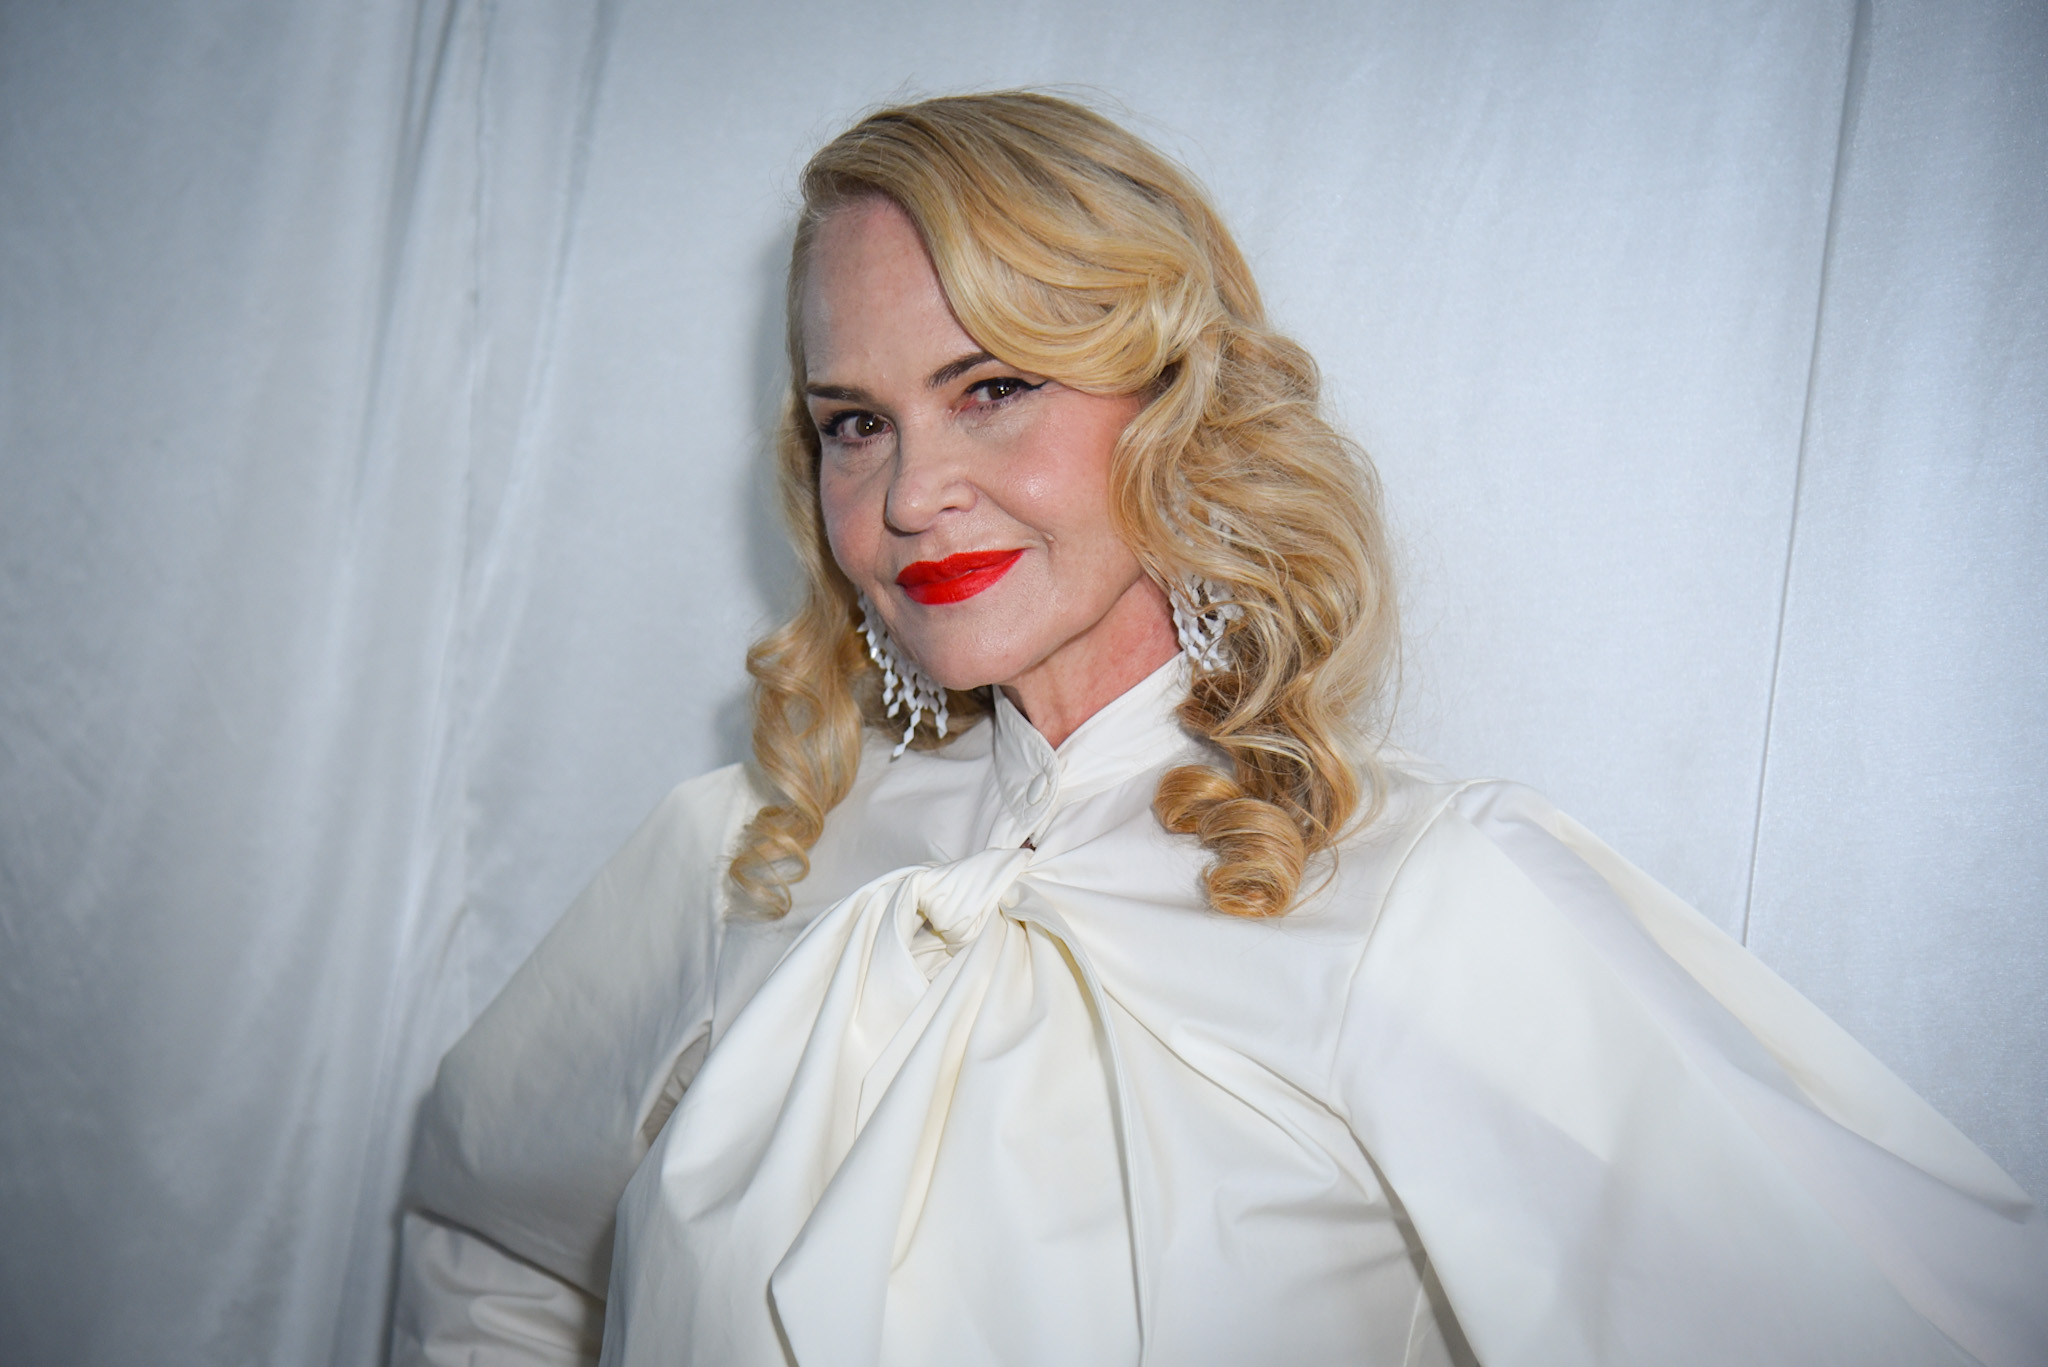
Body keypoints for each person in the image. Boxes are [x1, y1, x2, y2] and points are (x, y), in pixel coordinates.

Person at [389, 92, 2046, 1367]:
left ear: (1171, 402)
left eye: (992, 387)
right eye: (853, 422)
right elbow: (494, 1242)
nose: (911, 491)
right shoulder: (743, 858)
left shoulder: (1422, 899)